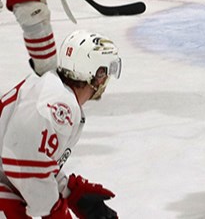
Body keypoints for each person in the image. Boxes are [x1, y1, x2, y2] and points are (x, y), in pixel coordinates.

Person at [0, 30, 121, 218]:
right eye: (106, 72)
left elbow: (32, 161)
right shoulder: (59, 103)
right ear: (97, 75)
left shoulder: (52, 88)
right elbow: (23, 164)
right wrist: (56, 211)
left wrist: (70, 192)